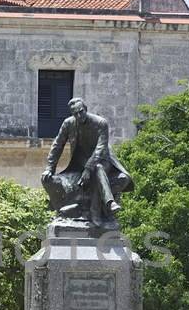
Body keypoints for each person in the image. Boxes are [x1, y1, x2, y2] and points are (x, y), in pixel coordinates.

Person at [42, 97, 132, 226]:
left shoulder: (101, 123)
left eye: (81, 111)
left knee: (99, 169)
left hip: (103, 159)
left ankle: (98, 209)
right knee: (46, 179)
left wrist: (88, 169)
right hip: (79, 164)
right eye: (75, 113)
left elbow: (100, 149)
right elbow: (57, 145)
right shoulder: (68, 123)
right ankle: (102, 205)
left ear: (85, 109)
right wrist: (50, 168)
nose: (79, 115)